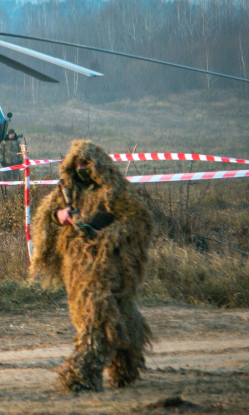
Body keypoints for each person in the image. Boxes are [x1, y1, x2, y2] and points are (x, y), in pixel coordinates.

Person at [30, 140, 154, 392]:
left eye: (86, 164)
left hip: (109, 267)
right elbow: (46, 216)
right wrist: (59, 216)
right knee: (116, 315)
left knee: (98, 316)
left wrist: (105, 235)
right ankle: (125, 367)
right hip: (75, 270)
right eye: (77, 164)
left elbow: (137, 219)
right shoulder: (67, 190)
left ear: (98, 166)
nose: (81, 168)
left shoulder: (113, 190)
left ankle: (82, 374)